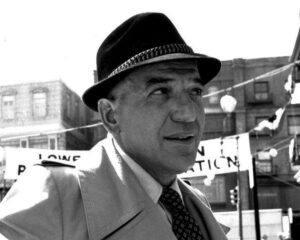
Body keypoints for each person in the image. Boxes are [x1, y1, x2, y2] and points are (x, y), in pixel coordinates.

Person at [0, 12, 229, 240]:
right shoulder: (56, 198)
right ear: (110, 116)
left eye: (195, 91)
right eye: (160, 92)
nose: (188, 113)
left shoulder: (194, 204)